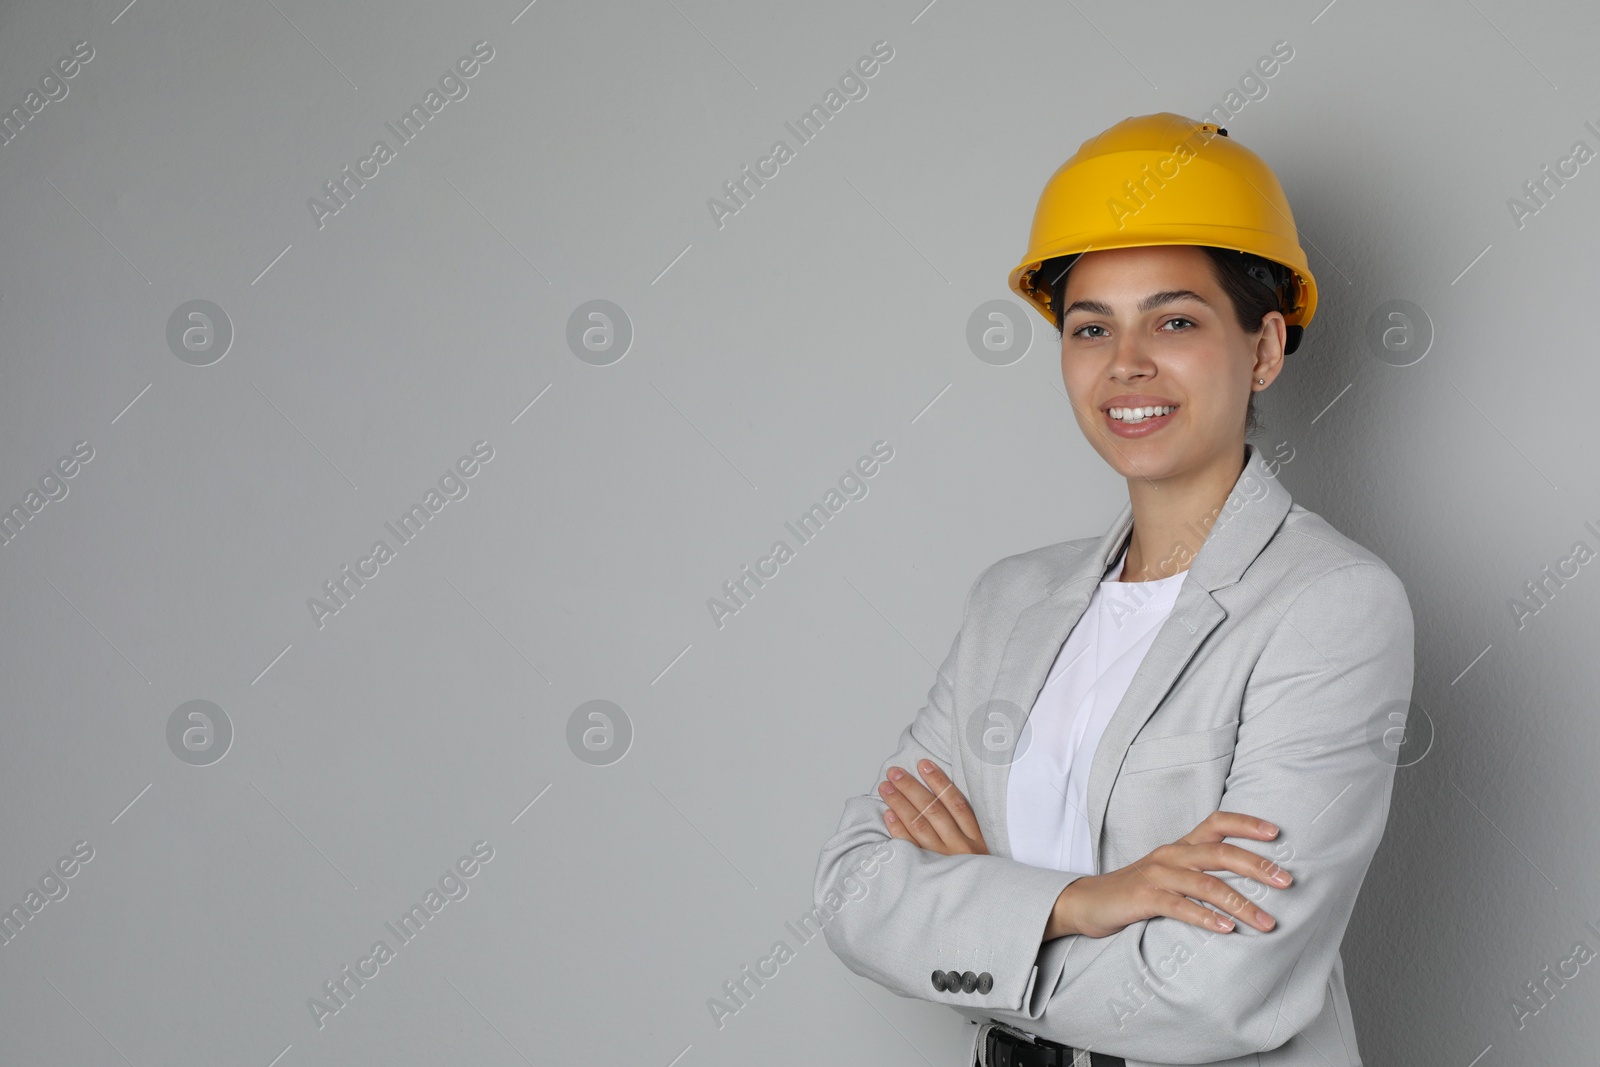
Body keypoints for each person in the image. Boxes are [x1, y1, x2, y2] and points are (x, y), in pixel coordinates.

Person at [813, 113, 1415, 1067]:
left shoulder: (1330, 605)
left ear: (1263, 348)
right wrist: (1080, 901)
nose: (1126, 363)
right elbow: (853, 888)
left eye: (1175, 320)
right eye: (1092, 327)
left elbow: (1220, 995)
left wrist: (983, 916)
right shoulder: (1008, 602)